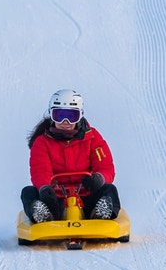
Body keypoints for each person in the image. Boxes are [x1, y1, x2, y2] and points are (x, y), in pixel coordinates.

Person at [21, 89, 121, 223]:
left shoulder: (92, 138)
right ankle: (42, 215)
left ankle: (101, 213)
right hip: (56, 199)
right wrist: (45, 188)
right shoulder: (42, 142)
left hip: (86, 196)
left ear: (80, 116)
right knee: (28, 192)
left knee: (110, 190)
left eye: (71, 116)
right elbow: (40, 170)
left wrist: (99, 179)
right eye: (59, 115)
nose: (65, 121)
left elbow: (105, 166)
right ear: (51, 115)